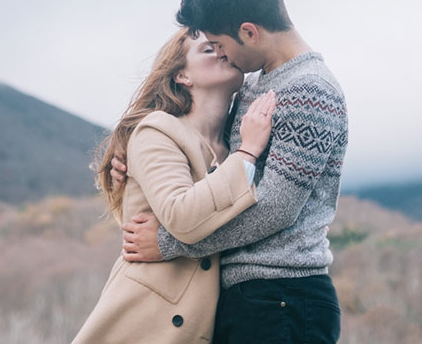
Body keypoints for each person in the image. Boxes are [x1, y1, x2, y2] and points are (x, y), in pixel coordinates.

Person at [116, 0, 348, 344]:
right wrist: (132, 164)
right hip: (244, 297)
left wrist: (169, 244)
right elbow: (213, 167)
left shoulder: (311, 91)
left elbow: (275, 208)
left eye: (221, 45)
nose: (222, 55)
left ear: (249, 33)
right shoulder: (254, 85)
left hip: (284, 297)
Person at [73, 27, 276, 344]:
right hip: (146, 321)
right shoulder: (157, 129)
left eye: (222, 46)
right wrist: (248, 153)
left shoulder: (230, 143)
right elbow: (181, 216)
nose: (223, 52)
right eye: (209, 49)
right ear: (182, 75)